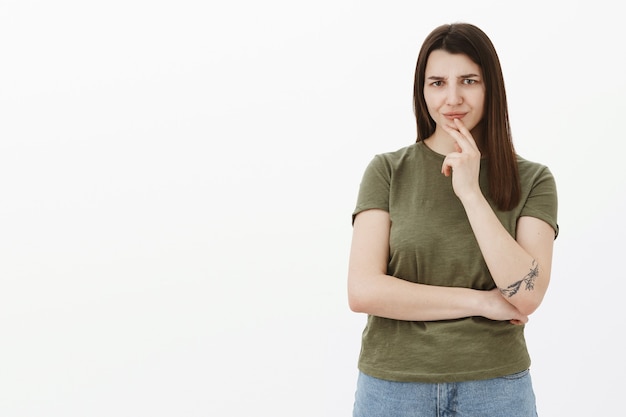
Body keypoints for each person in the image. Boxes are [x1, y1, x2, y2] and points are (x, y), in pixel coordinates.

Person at [347, 22, 558, 417]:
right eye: (438, 83)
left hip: (496, 388)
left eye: (469, 80)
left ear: (490, 86)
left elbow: (526, 294)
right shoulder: (388, 171)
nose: (453, 98)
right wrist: (482, 302)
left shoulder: (533, 179)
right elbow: (363, 291)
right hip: (393, 387)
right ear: (422, 90)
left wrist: (471, 194)